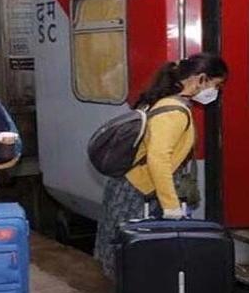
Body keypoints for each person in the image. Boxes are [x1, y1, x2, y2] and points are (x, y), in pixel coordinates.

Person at [94, 52, 228, 279]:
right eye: (217, 84)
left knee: (126, 255)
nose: (215, 91)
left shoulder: (166, 101)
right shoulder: (174, 111)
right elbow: (158, 159)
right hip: (137, 192)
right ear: (201, 79)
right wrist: (171, 206)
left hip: (132, 186)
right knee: (131, 257)